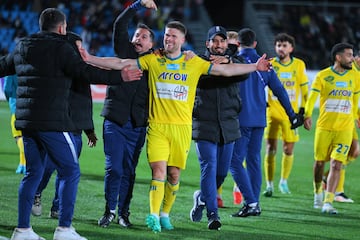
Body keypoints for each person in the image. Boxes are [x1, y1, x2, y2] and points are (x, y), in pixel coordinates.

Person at [80, 20, 271, 233]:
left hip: (181, 128)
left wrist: (255, 67)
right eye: (166, 35)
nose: (168, 38)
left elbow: (226, 71)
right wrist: (90, 59)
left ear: (182, 40)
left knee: (173, 175)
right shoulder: (153, 59)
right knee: (159, 171)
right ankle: (153, 215)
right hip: (158, 127)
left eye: (173, 36)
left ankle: (164, 214)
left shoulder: (193, 62)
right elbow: (121, 63)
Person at [0, 8, 141, 240]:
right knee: (70, 171)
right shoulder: (61, 48)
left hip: (27, 122)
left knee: (32, 173)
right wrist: (119, 77)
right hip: (52, 122)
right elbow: (85, 72)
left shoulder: (24, 45)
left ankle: (22, 230)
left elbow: (3, 66)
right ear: (62, 28)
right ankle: (64, 229)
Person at [227, 28, 303, 217]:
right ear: (255, 44)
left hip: (240, 119)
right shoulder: (266, 64)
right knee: (253, 160)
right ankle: (255, 203)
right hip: (259, 120)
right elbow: (280, 91)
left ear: (238, 43)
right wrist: (292, 114)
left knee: (234, 161)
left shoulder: (234, 61)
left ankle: (250, 201)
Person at [97, 0, 157, 228]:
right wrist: (137, 5)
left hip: (138, 125)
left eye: (143, 37)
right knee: (114, 168)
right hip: (115, 120)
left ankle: (124, 212)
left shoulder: (155, 63)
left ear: (151, 43)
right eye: (136, 35)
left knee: (129, 171)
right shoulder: (123, 51)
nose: (137, 39)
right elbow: (119, 25)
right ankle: (109, 210)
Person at [31, 31, 98, 219]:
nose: (80, 50)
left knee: (68, 169)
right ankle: (37, 192)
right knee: (50, 166)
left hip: (75, 129)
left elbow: (85, 102)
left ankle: (57, 207)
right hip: (56, 127)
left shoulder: (81, 71)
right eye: (77, 47)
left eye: (81, 46)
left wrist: (90, 130)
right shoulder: (56, 71)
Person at [189, 26, 248, 230]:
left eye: (222, 41)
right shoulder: (197, 62)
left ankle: (202, 198)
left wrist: (229, 62)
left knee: (221, 173)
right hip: (203, 122)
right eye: (214, 41)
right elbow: (205, 78)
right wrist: (221, 68)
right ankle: (213, 215)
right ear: (207, 44)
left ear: (227, 43)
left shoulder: (236, 62)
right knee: (209, 166)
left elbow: (244, 74)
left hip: (229, 124)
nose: (218, 44)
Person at [304, 42, 360, 214]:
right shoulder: (323, 76)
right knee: (320, 163)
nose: (352, 59)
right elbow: (312, 97)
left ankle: (328, 202)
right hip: (324, 127)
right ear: (338, 57)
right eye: (349, 55)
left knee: (337, 164)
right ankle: (317, 193)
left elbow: (354, 100)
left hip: (344, 128)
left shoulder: (355, 76)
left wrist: (357, 116)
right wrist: (307, 115)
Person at [263, 33, 309, 197]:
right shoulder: (270, 64)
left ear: (291, 48)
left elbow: (304, 90)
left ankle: (283, 181)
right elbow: (260, 85)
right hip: (272, 114)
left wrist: (305, 112)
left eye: (284, 45)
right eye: (278, 45)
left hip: (291, 116)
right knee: (270, 149)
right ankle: (269, 184)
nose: (280, 48)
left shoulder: (298, 65)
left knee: (288, 149)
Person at [3, 74, 26, 174]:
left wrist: (11, 100)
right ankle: (22, 164)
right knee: (27, 137)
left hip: (16, 105)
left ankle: (24, 164)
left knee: (18, 137)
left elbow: (7, 89)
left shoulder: (11, 65)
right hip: (30, 105)